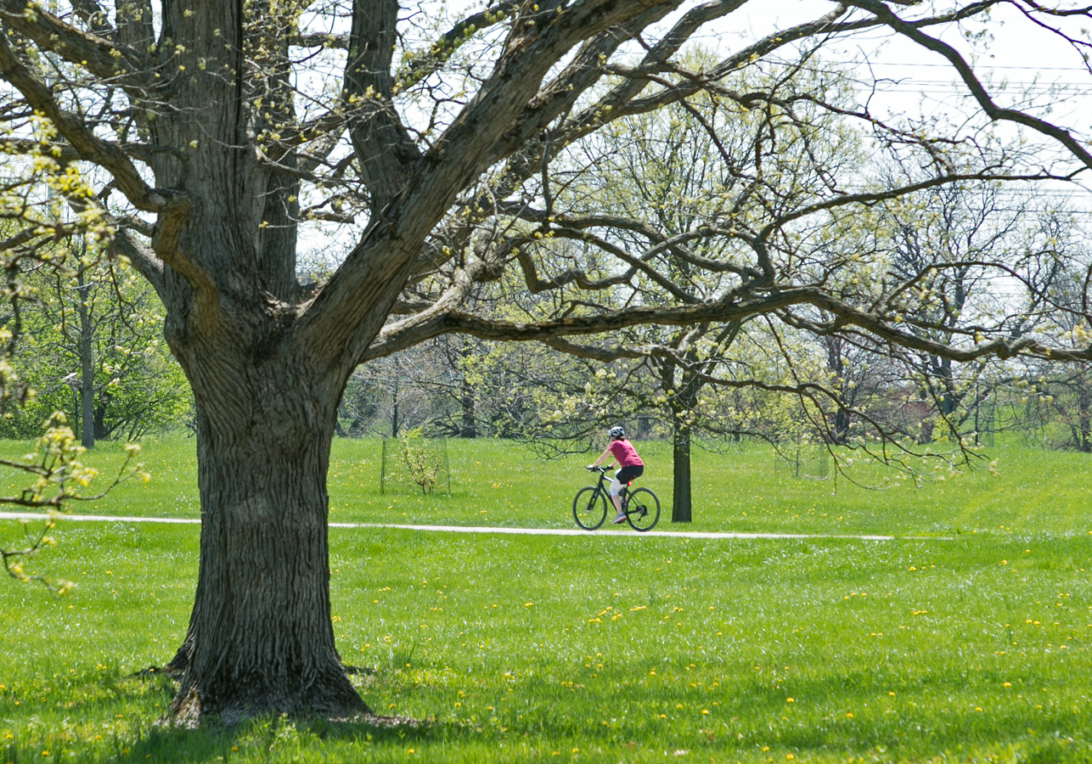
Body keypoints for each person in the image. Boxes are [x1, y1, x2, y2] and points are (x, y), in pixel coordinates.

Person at [587, 425, 645, 525]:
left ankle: (620, 514)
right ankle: (623, 497)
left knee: (613, 490)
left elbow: (602, 458)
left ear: (613, 436)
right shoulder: (626, 442)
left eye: (610, 437)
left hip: (629, 468)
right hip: (639, 467)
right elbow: (622, 457)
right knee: (616, 473)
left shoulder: (615, 444)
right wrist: (611, 466)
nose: (610, 439)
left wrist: (593, 466)